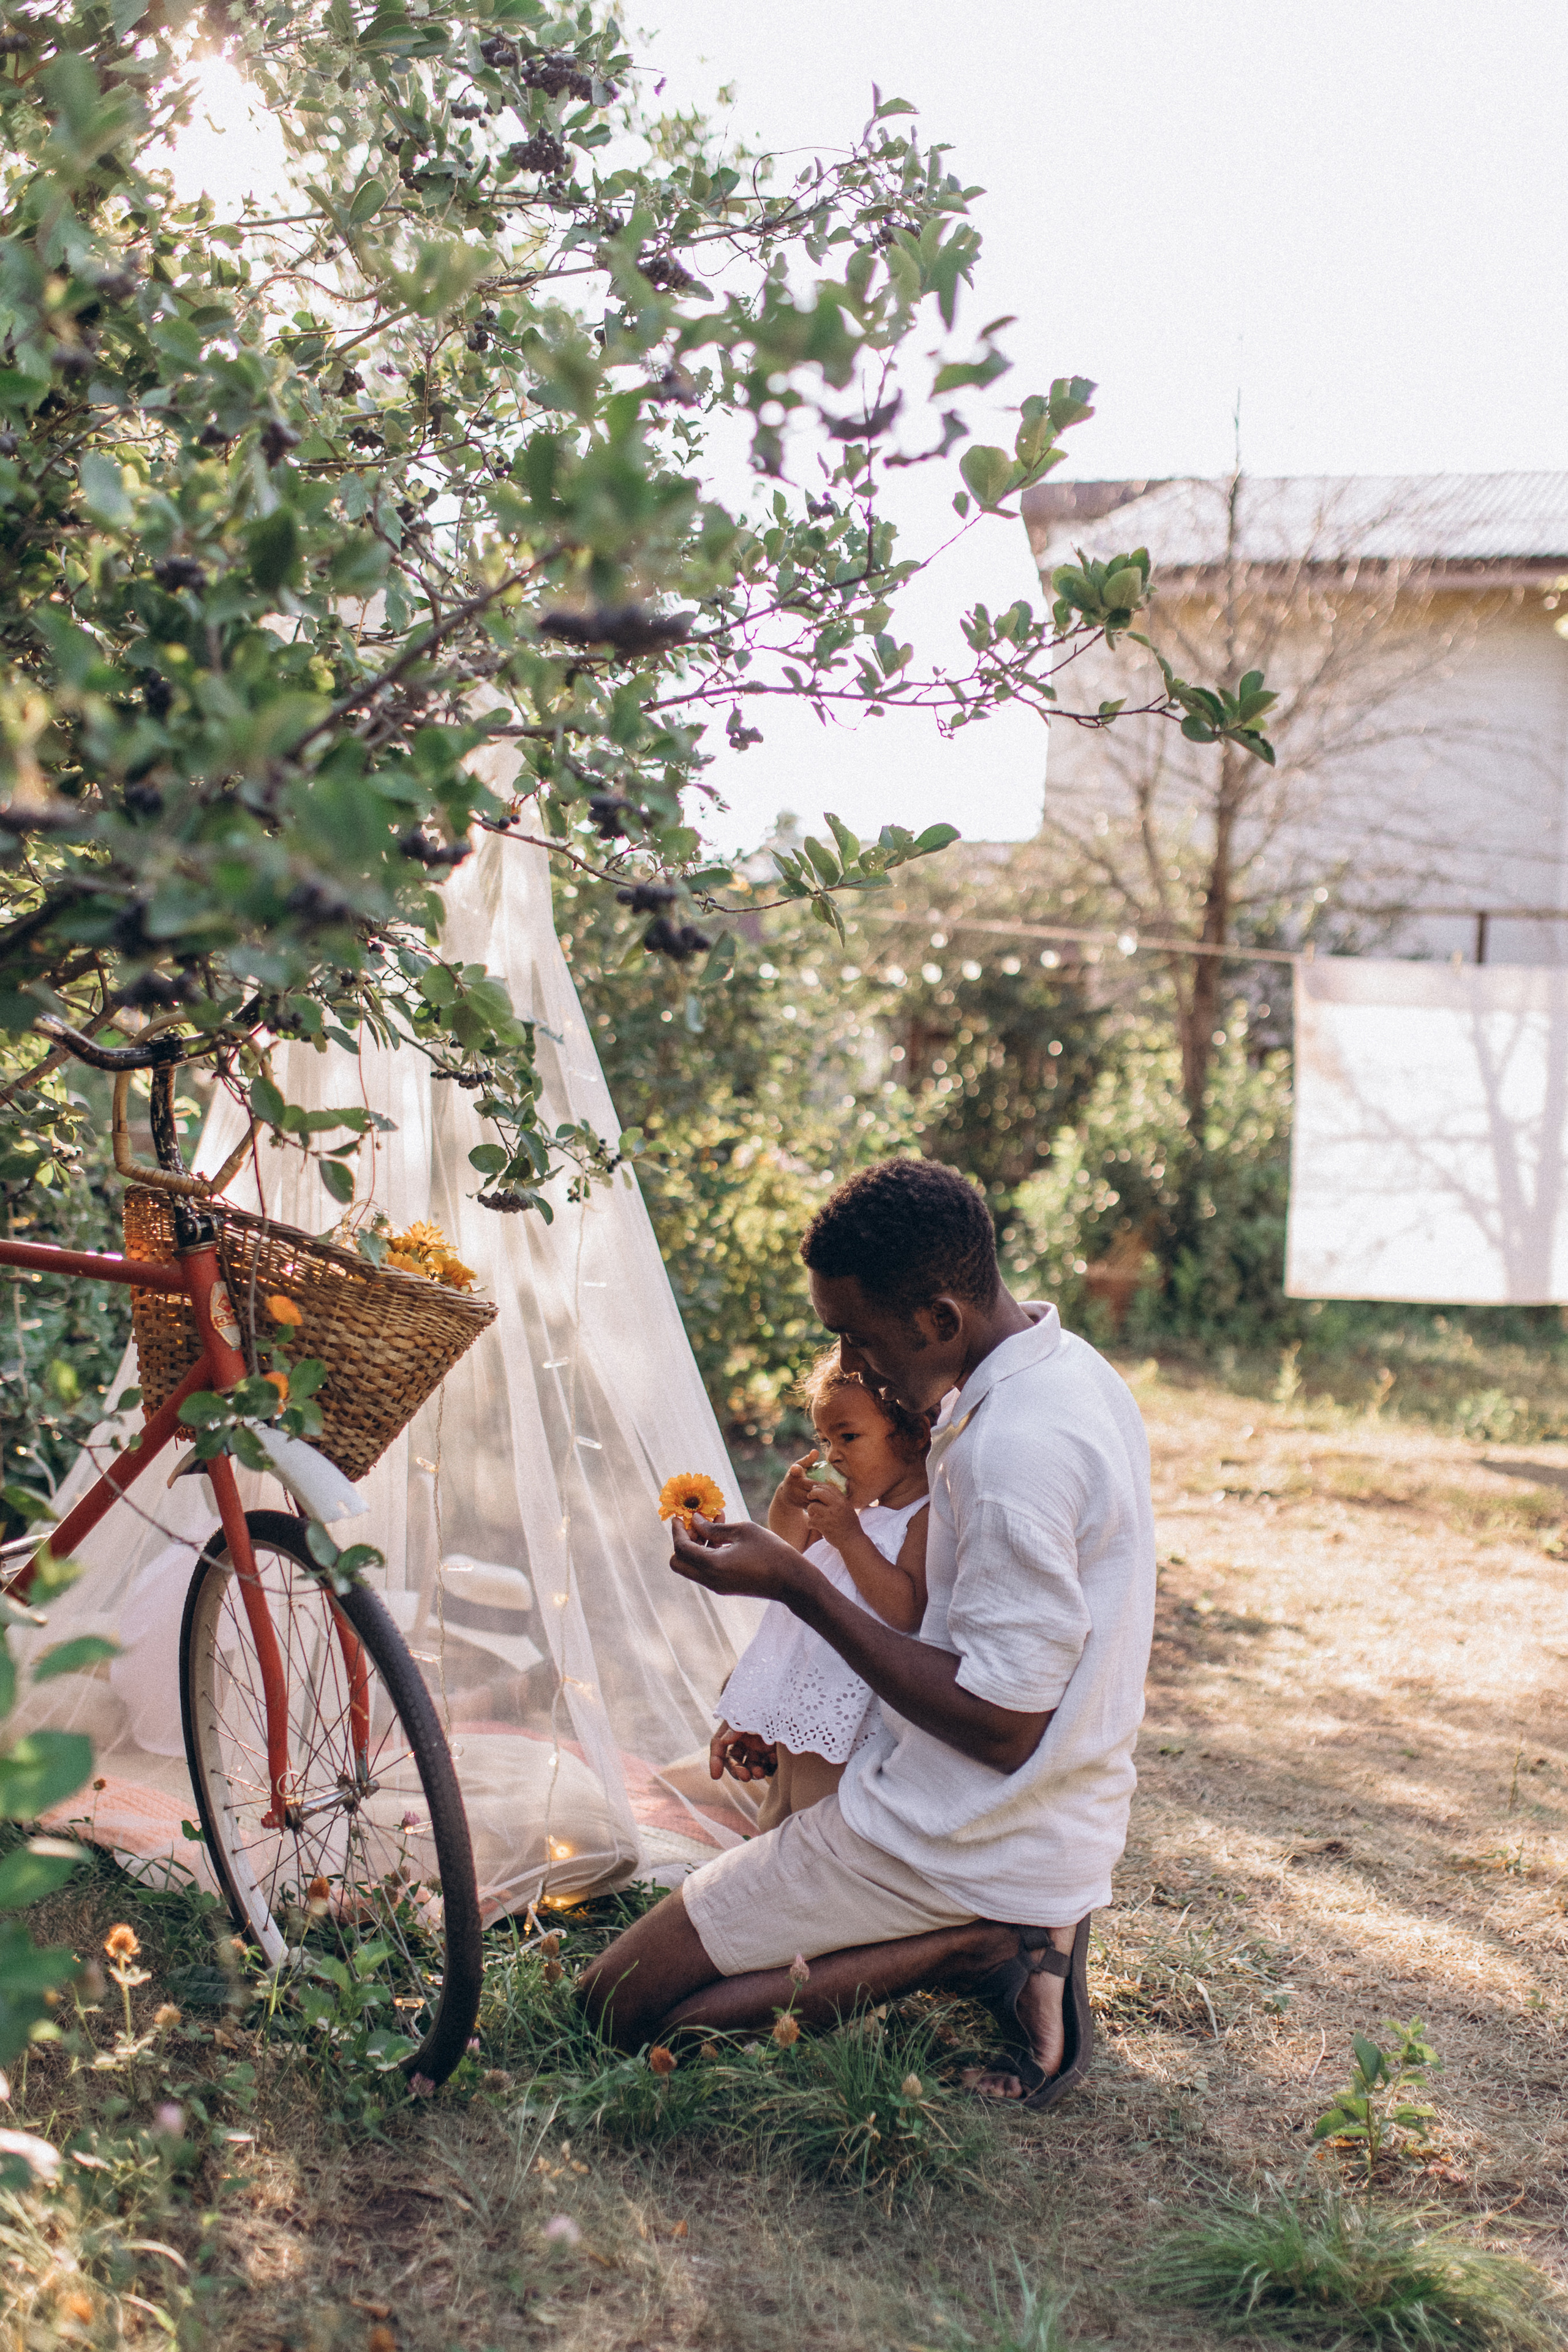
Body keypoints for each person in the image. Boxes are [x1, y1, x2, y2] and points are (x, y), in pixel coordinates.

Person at [581, 1157, 1156, 2111]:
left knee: (613, 2009)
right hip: (1039, 1813)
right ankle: (1009, 1924)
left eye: (856, 1336)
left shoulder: (1015, 1450)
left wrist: (799, 1585)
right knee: (663, 2001)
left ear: (939, 1320)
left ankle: (977, 1941)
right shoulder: (1069, 1367)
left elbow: (1001, 1725)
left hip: (955, 1832)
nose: (851, 1368)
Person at [711, 1351, 930, 1832]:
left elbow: (905, 1608)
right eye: (826, 1440)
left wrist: (850, 1538)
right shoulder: (858, 1514)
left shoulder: (922, 1518)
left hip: (846, 1704)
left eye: (849, 1437)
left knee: (816, 1815)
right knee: (778, 1806)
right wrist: (787, 1503)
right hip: (803, 1689)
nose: (832, 1456)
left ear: (915, 1436)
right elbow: (790, 1550)